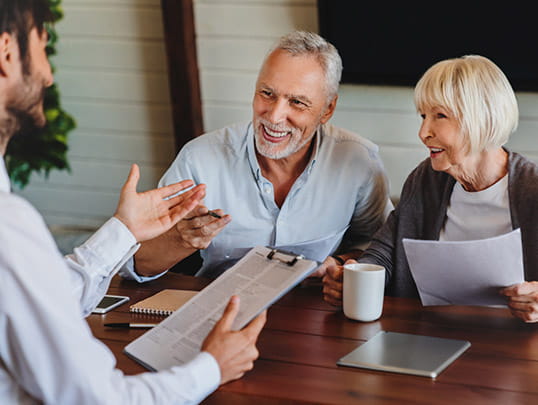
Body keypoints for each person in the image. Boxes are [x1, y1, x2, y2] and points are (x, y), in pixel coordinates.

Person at [0, 1, 265, 403]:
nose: (48, 75)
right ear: (6, 53)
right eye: (41, 46)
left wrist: (123, 231)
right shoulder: (8, 227)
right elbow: (100, 399)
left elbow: (40, 304)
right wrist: (212, 366)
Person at [123, 30, 393, 281]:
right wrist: (180, 240)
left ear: (327, 110)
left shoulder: (359, 162)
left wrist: (338, 264)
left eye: (297, 102)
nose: (274, 116)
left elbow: (380, 249)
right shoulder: (199, 159)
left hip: (317, 315)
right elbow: (135, 265)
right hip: (222, 313)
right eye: (267, 94)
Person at [322, 55, 538, 322]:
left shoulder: (532, 189)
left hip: (516, 347)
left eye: (440, 116)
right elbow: (385, 252)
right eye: (424, 116)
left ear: (481, 118)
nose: (423, 132)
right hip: (429, 337)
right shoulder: (426, 179)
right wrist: (353, 276)